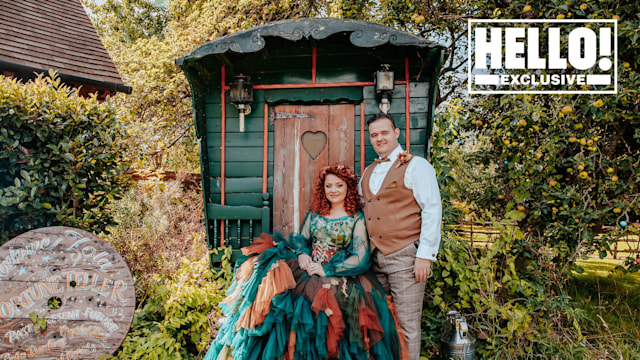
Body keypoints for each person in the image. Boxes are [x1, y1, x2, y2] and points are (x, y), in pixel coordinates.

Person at [205, 164, 407, 360]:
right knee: (272, 267)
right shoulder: (315, 213)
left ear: (348, 188)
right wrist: (302, 253)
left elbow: (360, 257)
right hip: (309, 267)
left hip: (336, 273)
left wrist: (327, 269)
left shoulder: (356, 219)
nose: (333, 190)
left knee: (322, 309)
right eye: (328, 186)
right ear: (323, 188)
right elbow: (302, 239)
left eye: (339, 185)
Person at [359, 113, 442, 360]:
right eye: (374, 135)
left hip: (406, 256)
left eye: (384, 132)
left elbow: (432, 208)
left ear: (396, 133)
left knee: (407, 326)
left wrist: (425, 256)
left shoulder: (417, 165)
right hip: (374, 259)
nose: (379, 138)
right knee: (379, 323)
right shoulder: (368, 171)